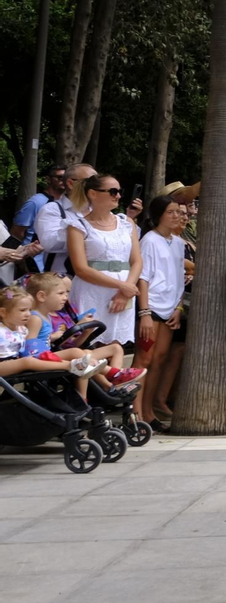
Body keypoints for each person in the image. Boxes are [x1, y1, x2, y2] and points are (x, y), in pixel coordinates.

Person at [22, 273, 142, 397]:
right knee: (78, 354)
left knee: (87, 355)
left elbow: (39, 339)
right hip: (39, 358)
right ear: (42, 296)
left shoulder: (45, 316)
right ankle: (113, 377)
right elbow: (30, 343)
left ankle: (96, 390)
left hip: (47, 354)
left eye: (67, 293)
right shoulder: (35, 318)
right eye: (60, 293)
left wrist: (53, 337)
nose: (65, 297)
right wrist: (52, 341)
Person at [65, 173, 142, 351]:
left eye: (119, 191)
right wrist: (122, 286)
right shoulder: (77, 226)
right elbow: (81, 268)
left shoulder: (126, 222)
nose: (118, 196)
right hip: (91, 290)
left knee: (116, 344)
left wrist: (126, 290)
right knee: (89, 344)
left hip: (124, 290)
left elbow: (137, 261)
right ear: (93, 194)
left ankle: (116, 376)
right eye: (113, 191)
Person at [135, 195, 188, 424]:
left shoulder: (178, 243)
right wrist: (145, 313)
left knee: (160, 359)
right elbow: (143, 277)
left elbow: (178, 277)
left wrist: (179, 307)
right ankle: (135, 413)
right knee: (144, 359)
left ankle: (149, 411)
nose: (176, 216)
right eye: (171, 212)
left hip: (170, 307)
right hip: (152, 306)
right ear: (158, 215)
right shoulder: (149, 240)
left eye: (178, 212)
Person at [0, 286, 108, 396]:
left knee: (73, 351)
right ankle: (72, 366)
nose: (28, 314)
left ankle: (109, 372)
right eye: (23, 310)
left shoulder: (21, 329)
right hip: (3, 365)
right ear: (3, 312)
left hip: (16, 361)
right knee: (28, 361)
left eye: (29, 310)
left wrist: (51, 338)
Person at [34, 163, 94, 276]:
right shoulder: (52, 209)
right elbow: (49, 244)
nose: (96, 186)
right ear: (71, 183)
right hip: (62, 281)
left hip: (95, 277)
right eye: (90, 182)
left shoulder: (99, 211)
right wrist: (83, 232)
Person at [11, 163, 67, 245]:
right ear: (48, 179)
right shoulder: (35, 202)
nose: (63, 181)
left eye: (66, 178)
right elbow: (16, 232)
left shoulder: (67, 202)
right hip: (34, 255)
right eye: (60, 177)